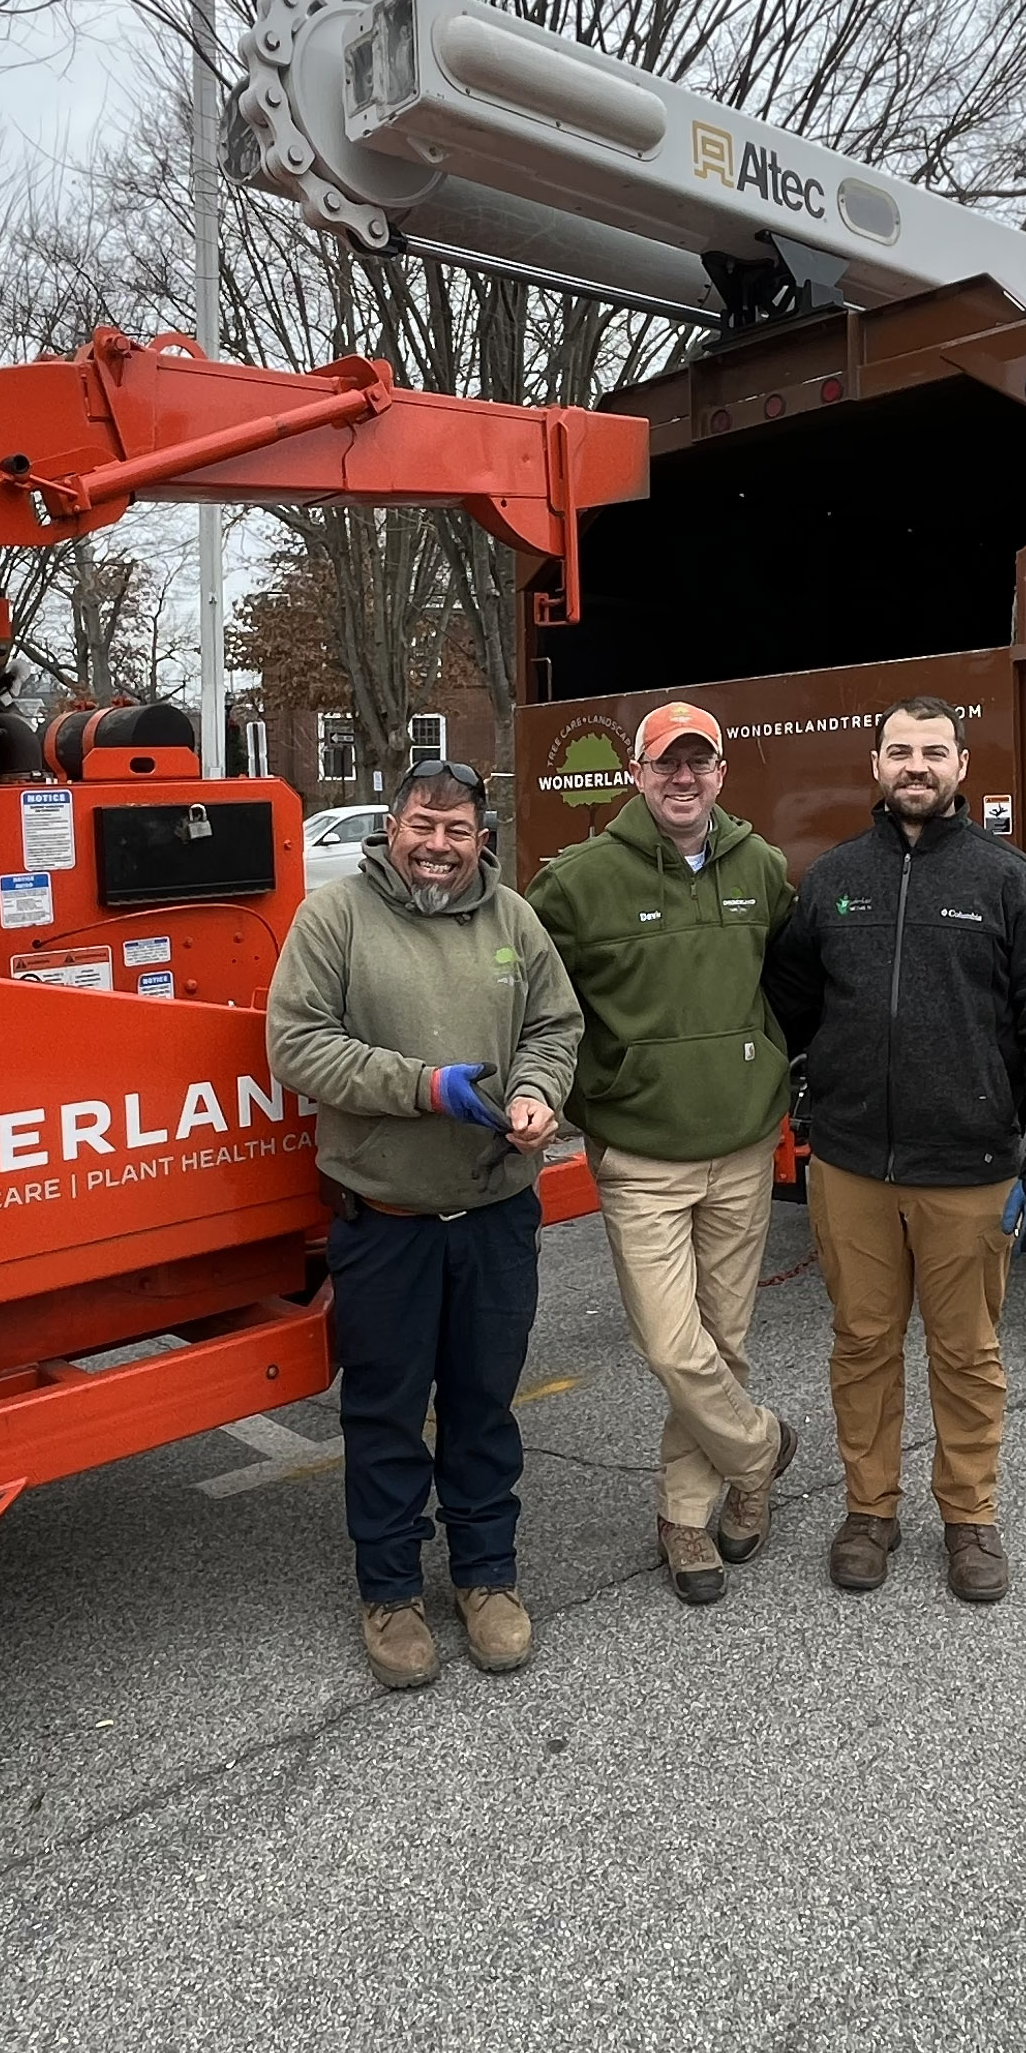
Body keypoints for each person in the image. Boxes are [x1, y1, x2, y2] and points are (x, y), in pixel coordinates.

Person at [764, 696, 1026, 1604]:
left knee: (967, 1352)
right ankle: (869, 1511)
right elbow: (782, 1010)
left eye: (934, 752)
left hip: (972, 1170)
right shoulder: (831, 882)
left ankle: (969, 1518)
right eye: (900, 751)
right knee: (862, 1342)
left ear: (961, 767)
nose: (917, 766)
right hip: (850, 1165)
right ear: (875, 766)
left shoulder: (1011, 883)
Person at [267, 760, 583, 1688]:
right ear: (392, 828)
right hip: (388, 1219)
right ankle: (392, 1592)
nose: (438, 846)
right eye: (422, 826)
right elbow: (297, 1044)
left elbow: (555, 1027)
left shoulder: (512, 919)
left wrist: (533, 1091)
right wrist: (423, 1087)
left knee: (484, 1405)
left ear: (481, 836)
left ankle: (487, 1578)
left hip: (492, 1216)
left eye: (457, 831)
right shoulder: (336, 919)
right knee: (386, 1414)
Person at [528, 701, 799, 1607]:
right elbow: (528, 999)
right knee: (674, 1347)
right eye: (666, 764)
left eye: (701, 763)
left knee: (725, 1341)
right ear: (636, 776)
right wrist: (570, 1096)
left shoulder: (760, 868)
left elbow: (793, 985)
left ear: (722, 774)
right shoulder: (577, 883)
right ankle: (760, 1448)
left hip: (744, 1145)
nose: (684, 780)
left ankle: (690, 1516)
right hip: (641, 1155)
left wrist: (779, 1078)